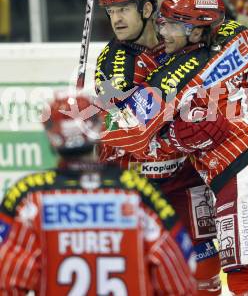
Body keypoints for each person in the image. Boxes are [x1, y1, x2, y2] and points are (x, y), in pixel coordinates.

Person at [101, 0, 248, 295]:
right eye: (163, 22)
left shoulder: (171, 77)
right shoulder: (237, 41)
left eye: (174, 24)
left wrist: (93, 126)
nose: (163, 31)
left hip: (245, 171)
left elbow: (131, 129)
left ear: (196, 31)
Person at [95, 0, 222, 295]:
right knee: (139, 276)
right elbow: (123, 124)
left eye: (123, 9)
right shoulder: (114, 62)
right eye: (111, 12)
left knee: (205, 274)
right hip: (135, 184)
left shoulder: (179, 34)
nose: (116, 20)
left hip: (184, 181)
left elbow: (230, 32)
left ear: (148, 9)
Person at [0, 92, 197, 295]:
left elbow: (7, 282)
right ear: (98, 127)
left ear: (51, 136)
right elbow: (179, 277)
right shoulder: (138, 192)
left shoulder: (30, 197)